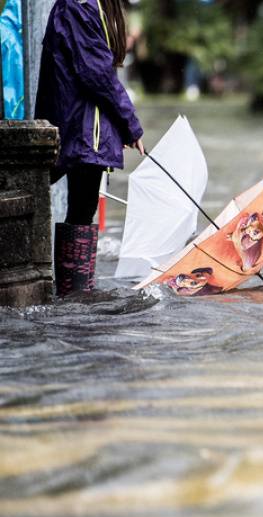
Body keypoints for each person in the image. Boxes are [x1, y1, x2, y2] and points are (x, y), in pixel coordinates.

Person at [35, 0, 145, 297]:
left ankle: (77, 292)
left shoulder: (91, 5)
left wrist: (121, 125)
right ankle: (74, 294)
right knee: (81, 209)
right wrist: (129, 124)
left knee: (83, 209)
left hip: (88, 126)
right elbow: (97, 73)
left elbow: (99, 72)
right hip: (84, 128)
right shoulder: (78, 6)